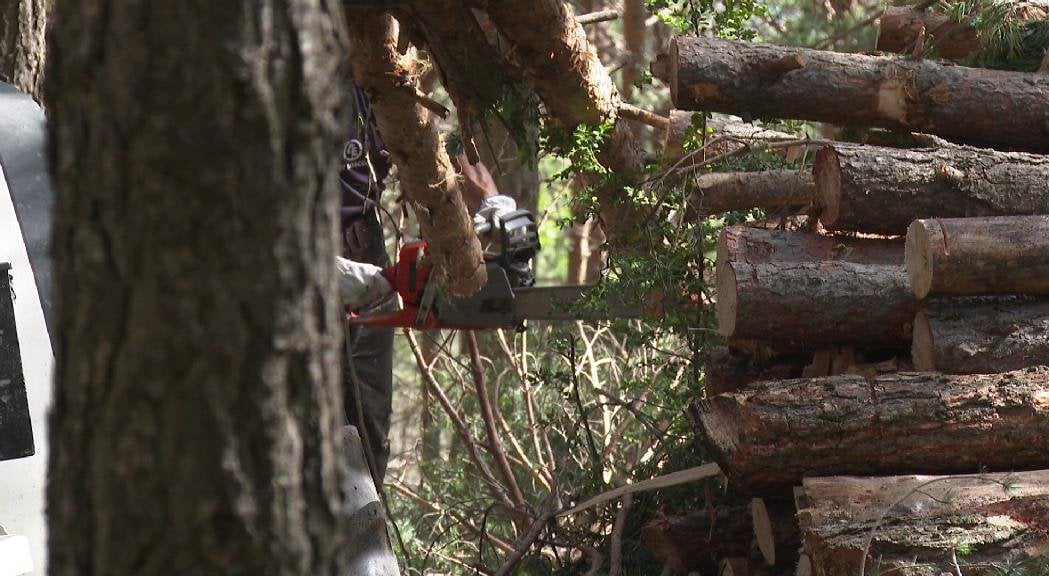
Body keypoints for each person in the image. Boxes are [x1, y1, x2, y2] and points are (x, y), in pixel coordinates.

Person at [337, 84, 508, 483]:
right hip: (305, 254)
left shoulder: (369, 77)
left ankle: (367, 531)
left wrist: (485, 203)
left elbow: (418, 139)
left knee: (369, 427)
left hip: (363, 242)